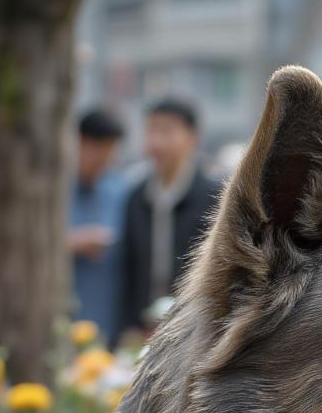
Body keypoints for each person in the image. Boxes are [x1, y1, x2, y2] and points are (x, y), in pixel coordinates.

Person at [119, 98, 219, 335]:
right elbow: (129, 268)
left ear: (193, 137)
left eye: (167, 131)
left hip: (195, 330)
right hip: (143, 331)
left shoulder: (213, 197)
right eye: (151, 130)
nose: (156, 142)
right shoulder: (136, 196)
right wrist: (130, 326)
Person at [69, 109, 126, 343]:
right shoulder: (52, 193)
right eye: (98, 150)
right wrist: (73, 242)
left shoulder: (120, 191)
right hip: (65, 316)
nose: (105, 159)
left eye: (110, 151)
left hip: (109, 322)